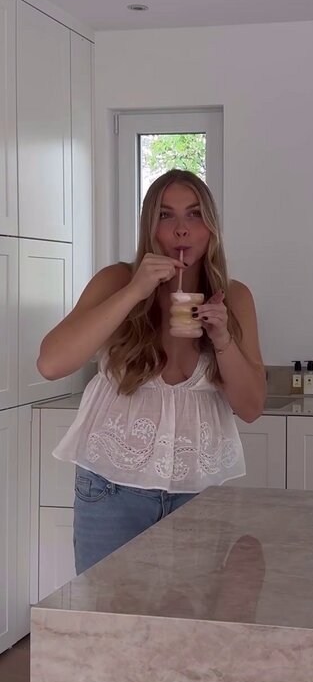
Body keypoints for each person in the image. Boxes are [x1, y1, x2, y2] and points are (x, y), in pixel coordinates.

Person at [37, 169, 266, 574]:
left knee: (191, 612)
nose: (181, 229)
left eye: (194, 214)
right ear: (149, 226)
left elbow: (251, 407)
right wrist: (134, 292)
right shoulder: (117, 280)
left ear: (211, 226)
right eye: (165, 215)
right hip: (110, 489)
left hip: (197, 490)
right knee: (108, 611)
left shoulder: (235, 297)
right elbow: (51, 364)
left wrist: (222, 338)